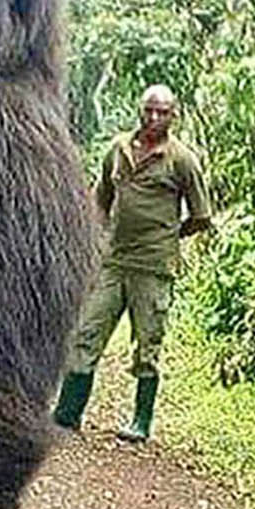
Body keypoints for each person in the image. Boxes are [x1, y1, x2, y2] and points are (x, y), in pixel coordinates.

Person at [53, 84, 212, 442]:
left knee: (147, 344)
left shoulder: (181, 160)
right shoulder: (118, 149)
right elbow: (99, 202)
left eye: (163, 112)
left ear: (175, 116)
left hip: (153, 268)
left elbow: (202, 216)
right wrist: (95, 240)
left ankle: (140, 421)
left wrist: (168, 236)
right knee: (86, 334)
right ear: (140, 111)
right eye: (149, 110)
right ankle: (67, 413)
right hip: (112, 263)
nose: (154, 118)